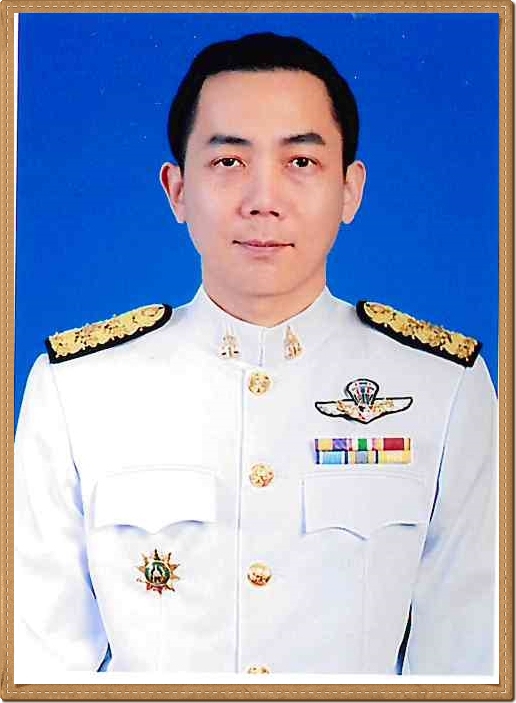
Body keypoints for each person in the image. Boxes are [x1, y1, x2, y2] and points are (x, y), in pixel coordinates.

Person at [15, 32, 496, 676]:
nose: (264, 200)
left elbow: (468, 657)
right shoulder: (78, 389)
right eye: (228, 161)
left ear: (350, 190)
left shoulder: (445, 387)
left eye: (301, 161)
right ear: (177, 190)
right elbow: (38, 661)